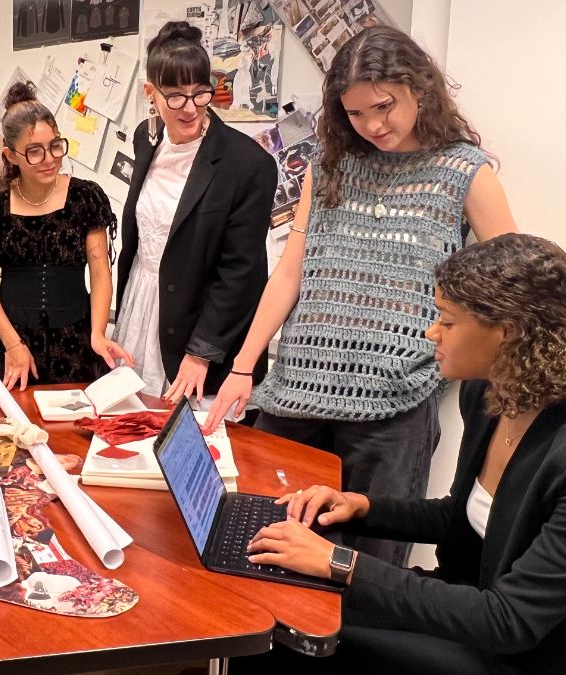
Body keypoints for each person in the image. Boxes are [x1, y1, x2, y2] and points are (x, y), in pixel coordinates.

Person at [239, 234, 566, 674]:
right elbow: (469, 517)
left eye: (447, 320)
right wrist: (360, 507)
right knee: (286, 595)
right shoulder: (494, 395)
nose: (431, 332)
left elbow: (511, 621)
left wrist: (339, 561)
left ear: (508, 331)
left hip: (532, 655)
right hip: (476, 613)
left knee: (285, 635)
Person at [205, 25, 517, 566]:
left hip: (394, 404)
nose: (372, 125)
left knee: (370, 564)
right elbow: (288, 274)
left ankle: (356, 655)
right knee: (265, 541)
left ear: (420, 88)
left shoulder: (465, 172)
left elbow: (513, 282)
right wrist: (242, 365)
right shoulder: (329, 165)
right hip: (298, 389)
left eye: (385, 106)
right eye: (355, 113)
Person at [113, 20, 277, 401]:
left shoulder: (247, 164)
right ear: (150, 92)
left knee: (195, 445)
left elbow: (240, 271)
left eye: (200, 94)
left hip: (202, 325)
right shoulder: (145, 137)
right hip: (142, 306)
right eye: (175, 97)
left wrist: (201, 352)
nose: (190, 109)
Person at [0, 82, 132, 390]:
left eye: (55, 146)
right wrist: (13, 345)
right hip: (11, 337)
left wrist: (98, 333)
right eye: (34, 151)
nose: (49, 158)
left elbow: (100, 273)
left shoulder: (86, 196)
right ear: (11, 155)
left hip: (75, 338)